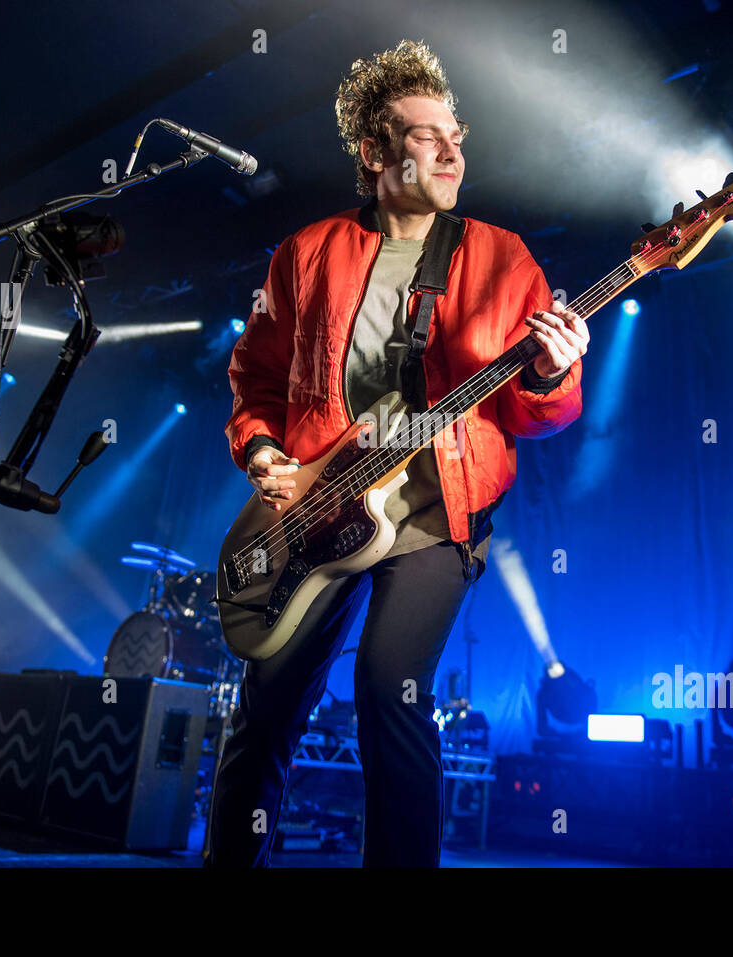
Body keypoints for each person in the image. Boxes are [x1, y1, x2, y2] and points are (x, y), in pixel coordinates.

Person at [206, 40, 589, 867]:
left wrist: (554, 372)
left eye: (457, 134)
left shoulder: (501, 257)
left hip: (435, 518)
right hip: (317, 509)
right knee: (266, 706)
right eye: (427, 135)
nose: (453, 150)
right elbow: (257, 375)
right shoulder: (305, 252)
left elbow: (533, 415)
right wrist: (264, 449)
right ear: (376, 152)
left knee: (391, 689)